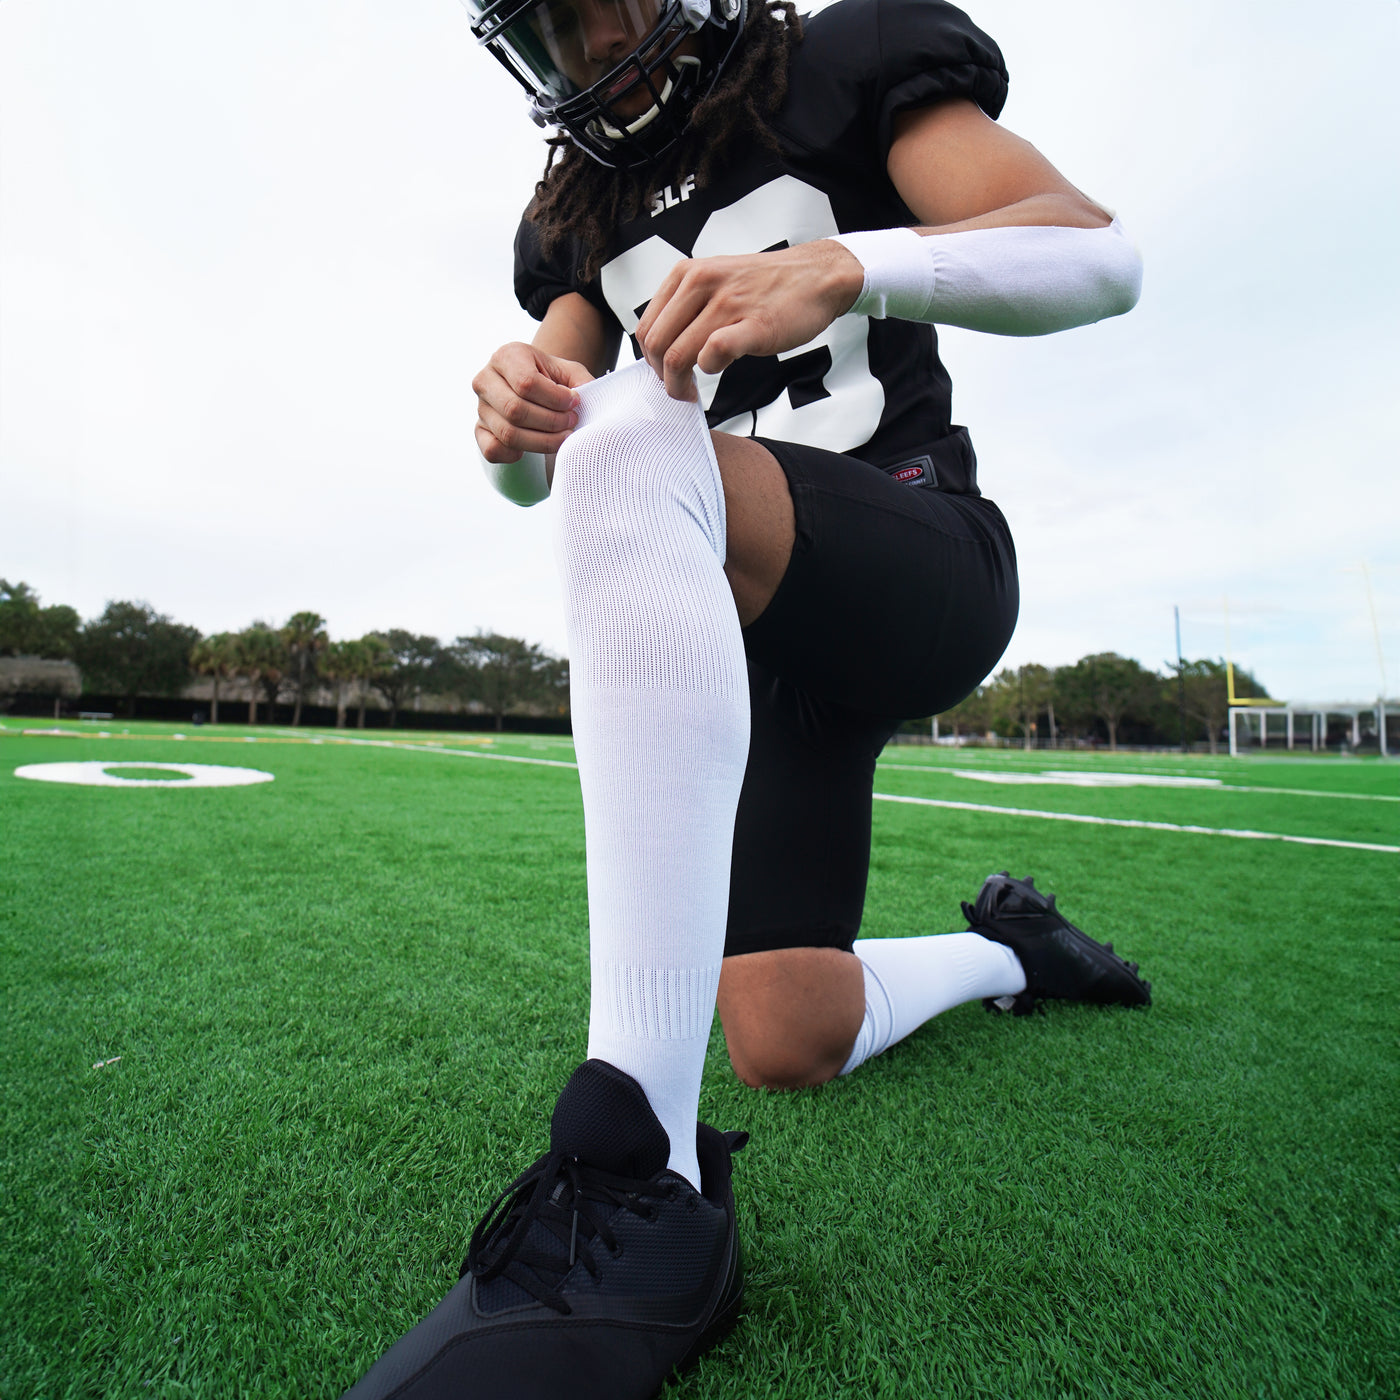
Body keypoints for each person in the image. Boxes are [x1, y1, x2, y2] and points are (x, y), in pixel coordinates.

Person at [342, 0, 1149, 1394]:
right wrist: (507, 430)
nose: (593, 46)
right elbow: (557, 460)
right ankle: (1023, 956)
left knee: (643, 438)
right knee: (787, 1036)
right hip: (758, 638)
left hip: (917, 552)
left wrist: (848, 268)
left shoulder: (842, 62)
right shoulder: (577, 211)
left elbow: (1097, 252)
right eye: (552, 30)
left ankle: (641, 1178)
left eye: (603, 1)